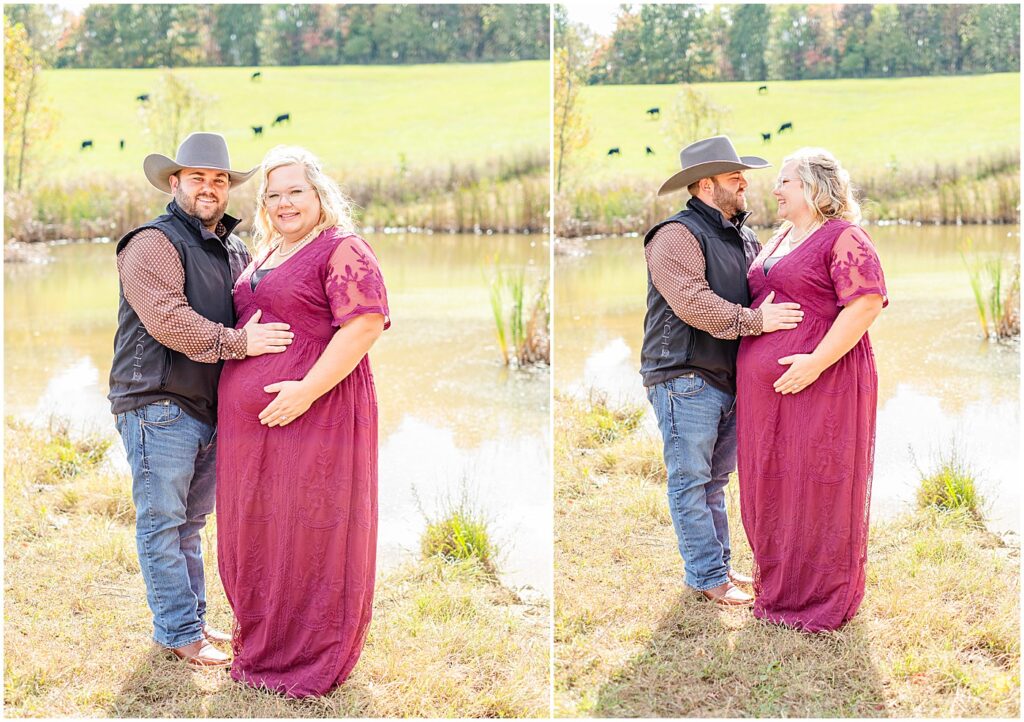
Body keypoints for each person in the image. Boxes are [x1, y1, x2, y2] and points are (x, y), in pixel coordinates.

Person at [109, 132, 295, 667]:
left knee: (190, 524)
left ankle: (187, 619)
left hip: (208, 410)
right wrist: (239, 344)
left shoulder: (233, 248)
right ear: (175, 183)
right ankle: (177, 632)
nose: (210, 188)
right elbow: (168, 322)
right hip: (157, 403)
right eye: (198, 178)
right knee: (162, 522)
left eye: (219, 180)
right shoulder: (150, 243)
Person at [216, 146, 389, 697]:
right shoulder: (268, 249)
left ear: (320, 195)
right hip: (256, 426)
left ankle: (306, 655)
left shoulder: (342, 248)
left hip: (316, 415)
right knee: (261, 528)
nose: (285, 202)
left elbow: (363, 327)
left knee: (307, 526)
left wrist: (305, 391)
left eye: (296, 191)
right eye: (274, 194)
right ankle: (263, 641)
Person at [642, 136, 804, 607]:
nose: (744, 183)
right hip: (684, 375)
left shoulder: (743, 235)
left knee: (715, 481)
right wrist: (757, 322)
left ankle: (716, 565)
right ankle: (707, 576)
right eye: (735, 176)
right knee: (690, 480)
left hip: (728, 379)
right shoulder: (674, 235)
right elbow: (694, 304)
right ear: (706, 184)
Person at [736, 148, 887, 631]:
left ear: (814, 187)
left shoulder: (844, 237)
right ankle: (779, 583)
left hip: (824, 383)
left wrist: (815, 363)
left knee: (816, 478)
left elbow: (864, 305)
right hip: (770, 391)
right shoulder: (782, 236)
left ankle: (817, 595)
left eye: (785, 182)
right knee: (773, 479)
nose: (775, 190)